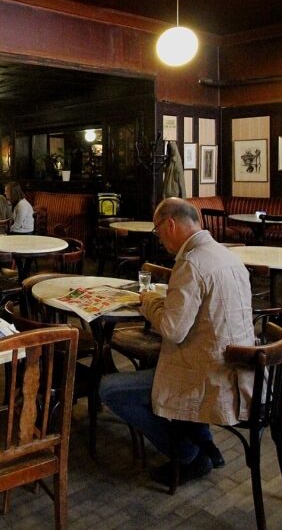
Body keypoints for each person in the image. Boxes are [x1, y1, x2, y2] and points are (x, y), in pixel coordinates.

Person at [99, 198, 256, 485]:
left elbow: (172, 331)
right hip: (242, 373)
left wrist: (149, 302)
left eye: (158, 231)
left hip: (209, 379)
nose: (159, 238)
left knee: (110, 389)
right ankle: (203, 442)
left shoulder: (191, 263)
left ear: (170, 224)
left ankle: (189, 455)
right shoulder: (228, 256)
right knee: (158, 366)